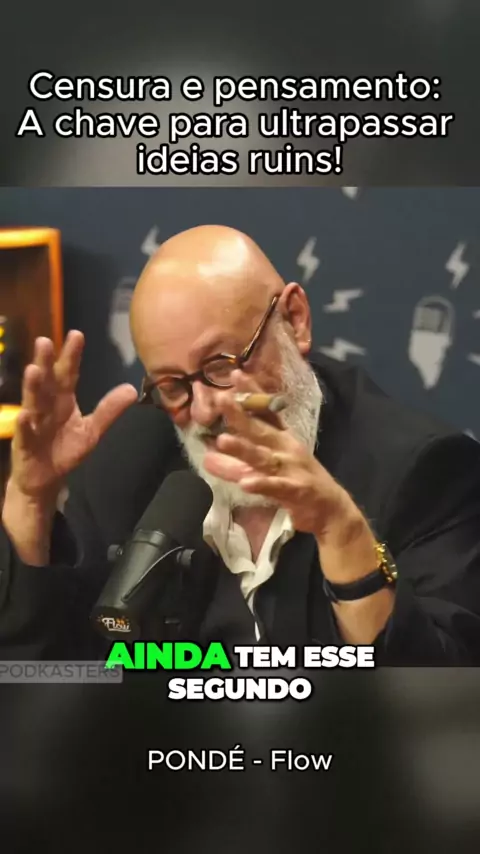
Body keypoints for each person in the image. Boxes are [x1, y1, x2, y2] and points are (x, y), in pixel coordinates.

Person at [1, 224, 480, 664]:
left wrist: (342, 531)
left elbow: (442, 697)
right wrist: (30, 501)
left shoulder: (422, 471)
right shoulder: (128, 462)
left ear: (295, 320)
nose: (204, 409)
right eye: (172, 385)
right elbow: (48, 672)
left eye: (221, 365)